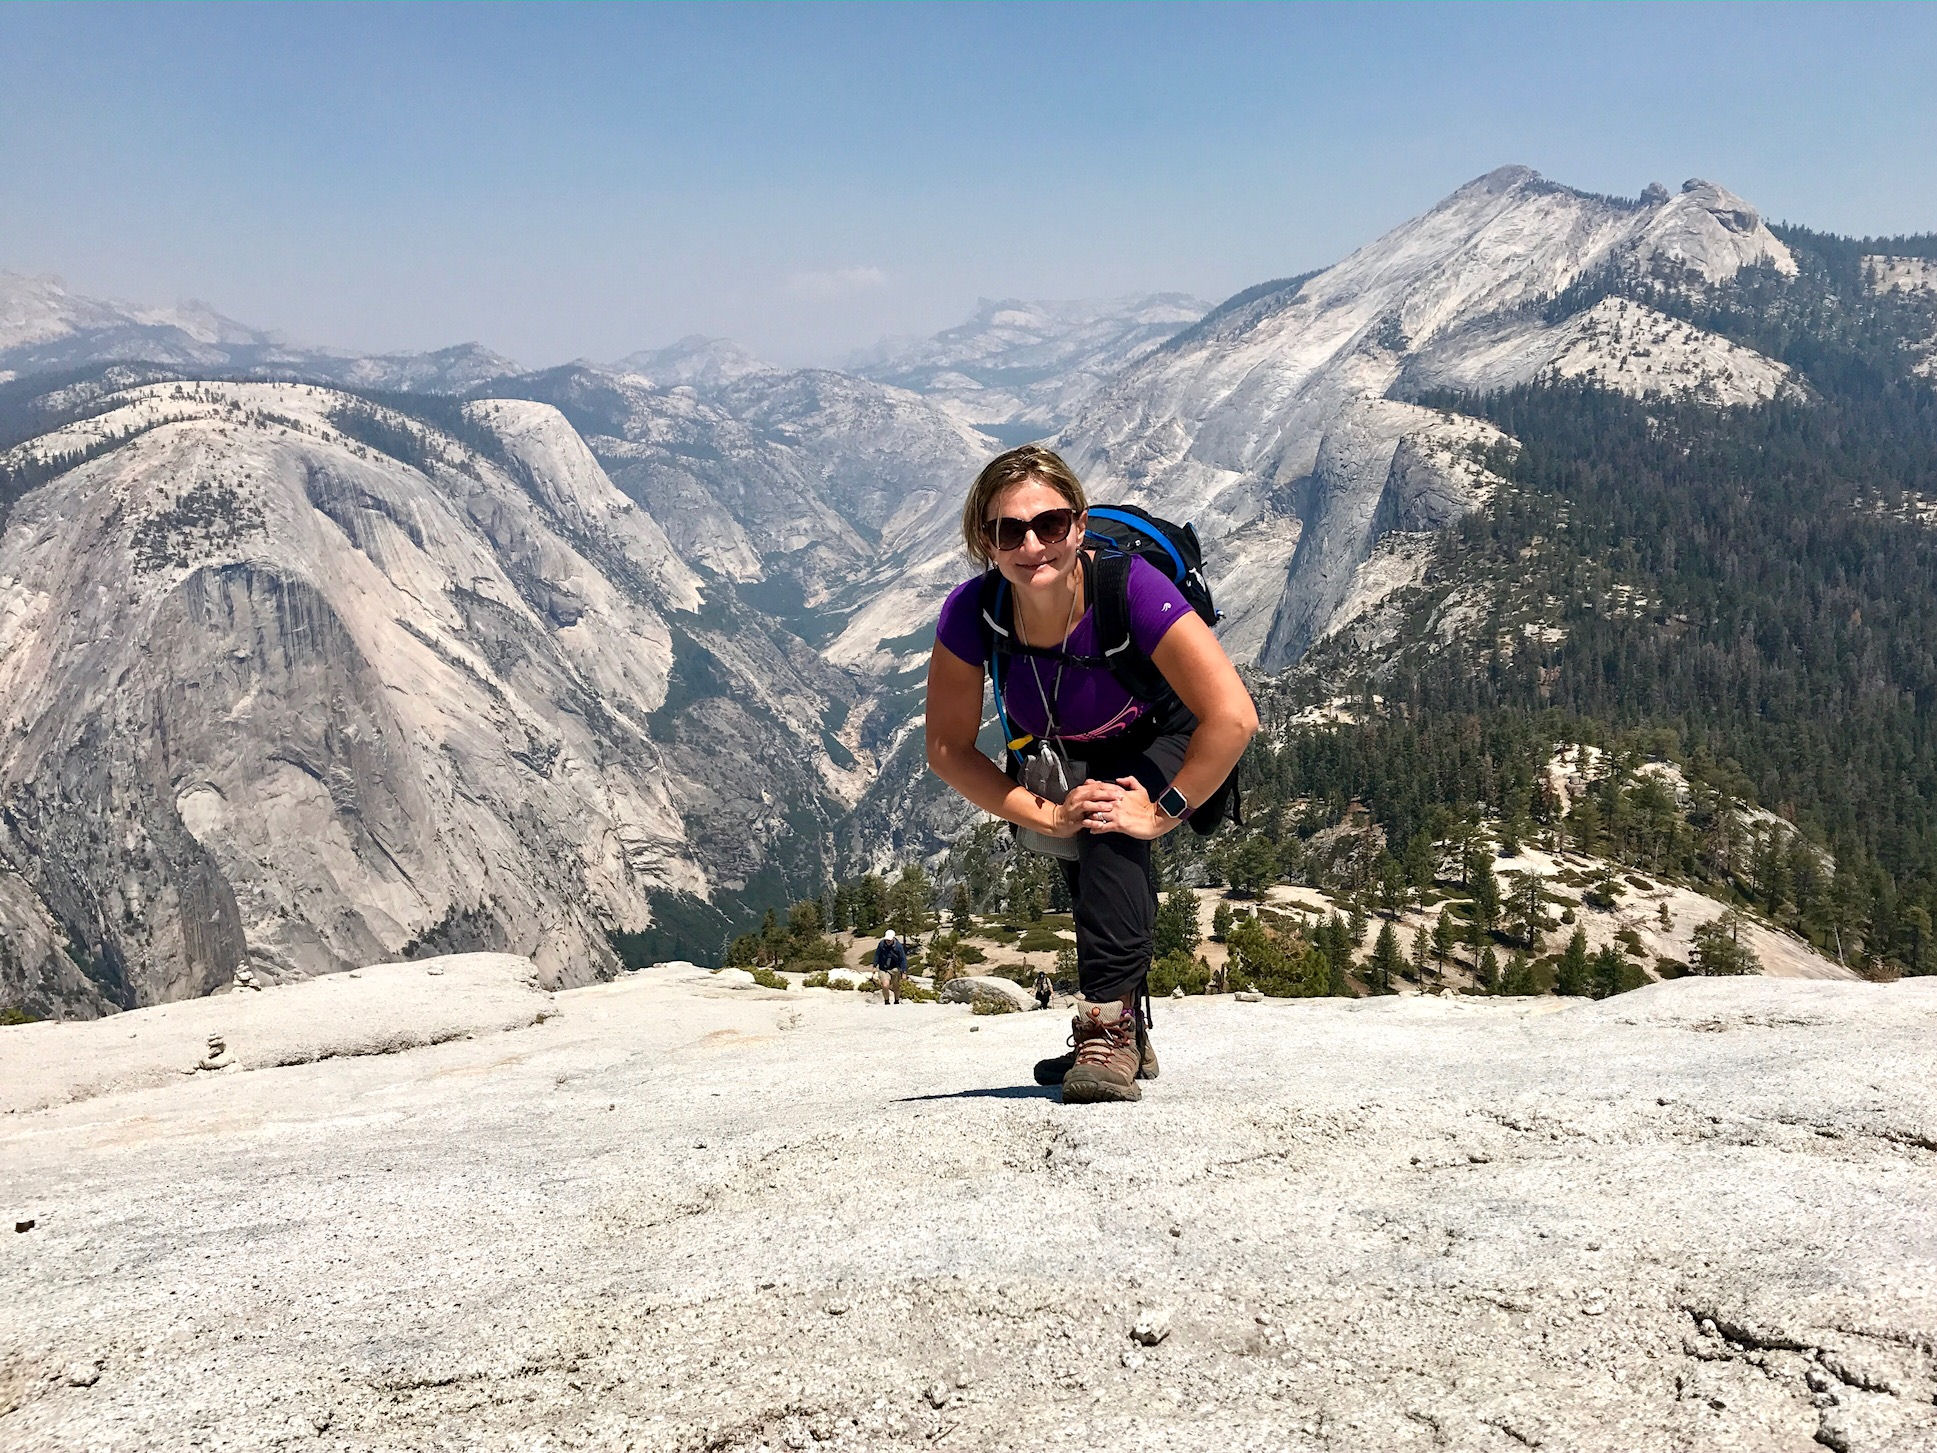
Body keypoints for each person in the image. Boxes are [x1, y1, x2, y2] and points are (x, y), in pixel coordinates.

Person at [925, 445, 1257, 1103]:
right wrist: (1043, 814)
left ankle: (1104, 1028)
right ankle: (1124, 1026)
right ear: (982, 541)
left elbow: (1234, 716)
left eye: (1049, 524)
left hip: (1166, 728)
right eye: (1008, 530)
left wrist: (1162, 809)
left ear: (1077, 526)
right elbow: (947, 749)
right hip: (1061, 746)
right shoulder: (973, 613)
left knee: (1110, 820)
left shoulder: (1127, 588)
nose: (1032, 543)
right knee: (1088, 869)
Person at [873, 928, 907, 1004]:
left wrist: (904, 972)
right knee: (885, 985)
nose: (887, 941)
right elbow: (877, 955)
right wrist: (874, 966)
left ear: (893, 939)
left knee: (896, 986)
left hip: (895, 969)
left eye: (889, 940)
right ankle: (887, 1001)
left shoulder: (898, 947)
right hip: (883, 968)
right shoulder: (881, 944)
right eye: (887, 940)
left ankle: (896, 1001)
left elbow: (903, 959)